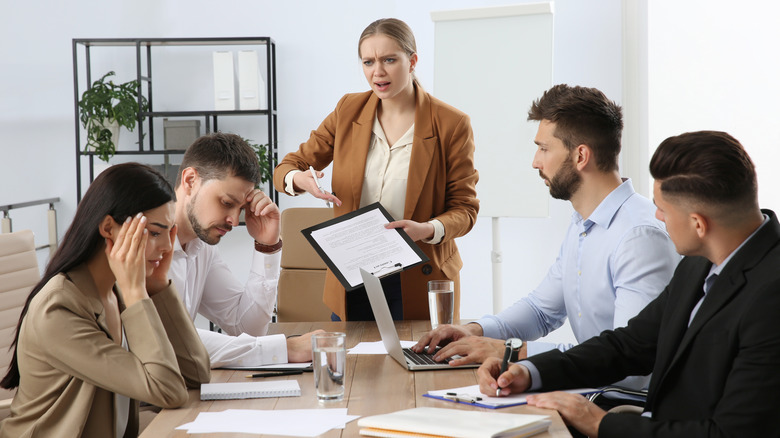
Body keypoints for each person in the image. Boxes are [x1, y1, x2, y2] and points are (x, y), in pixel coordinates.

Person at [478, 131, 780, 437]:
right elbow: (630, 344)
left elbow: (731, 433)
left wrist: (598, 422)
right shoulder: (700, 261)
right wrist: (531, 372)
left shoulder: (770, 297)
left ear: (698, 224)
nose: (657, 217)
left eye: (662, 209)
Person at [413, 85, 679, 391]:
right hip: (590, 390)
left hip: (624, 406)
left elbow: (632, 363)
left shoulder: (638, 237)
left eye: (544, 148)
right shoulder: (584, 222)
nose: (535, 162)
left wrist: (514, 353)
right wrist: (472, 331)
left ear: (581, 155)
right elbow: (541, 310)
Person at [273, 18, 479, 321]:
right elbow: (287, 168)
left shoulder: (451, 124)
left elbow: (465, 209)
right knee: (354, 365)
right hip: (354, 273)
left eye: (389, 60)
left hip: (418, 273)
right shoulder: (348, 110)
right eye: (368, 62)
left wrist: (427, 229)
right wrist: (299, 179)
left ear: (412, 62)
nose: (377, 72)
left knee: (418, 364)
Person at [0, 163, 210, 438]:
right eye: (156, 233)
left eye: (169, 233)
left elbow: (197, 373)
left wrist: (158, 287)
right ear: (109, 227)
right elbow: (168, 389)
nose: (168, 247)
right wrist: (137, 293)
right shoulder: (59, 308)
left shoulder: (117, 291)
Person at [170, 132, 319, 368]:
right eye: (227, 203)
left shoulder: (201, 248)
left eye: (240, 208)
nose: (233, 219)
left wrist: (267, 247)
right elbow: (167, 342)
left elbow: (246, 327)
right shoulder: (146, 241)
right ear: (190, 181)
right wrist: (284, 348)